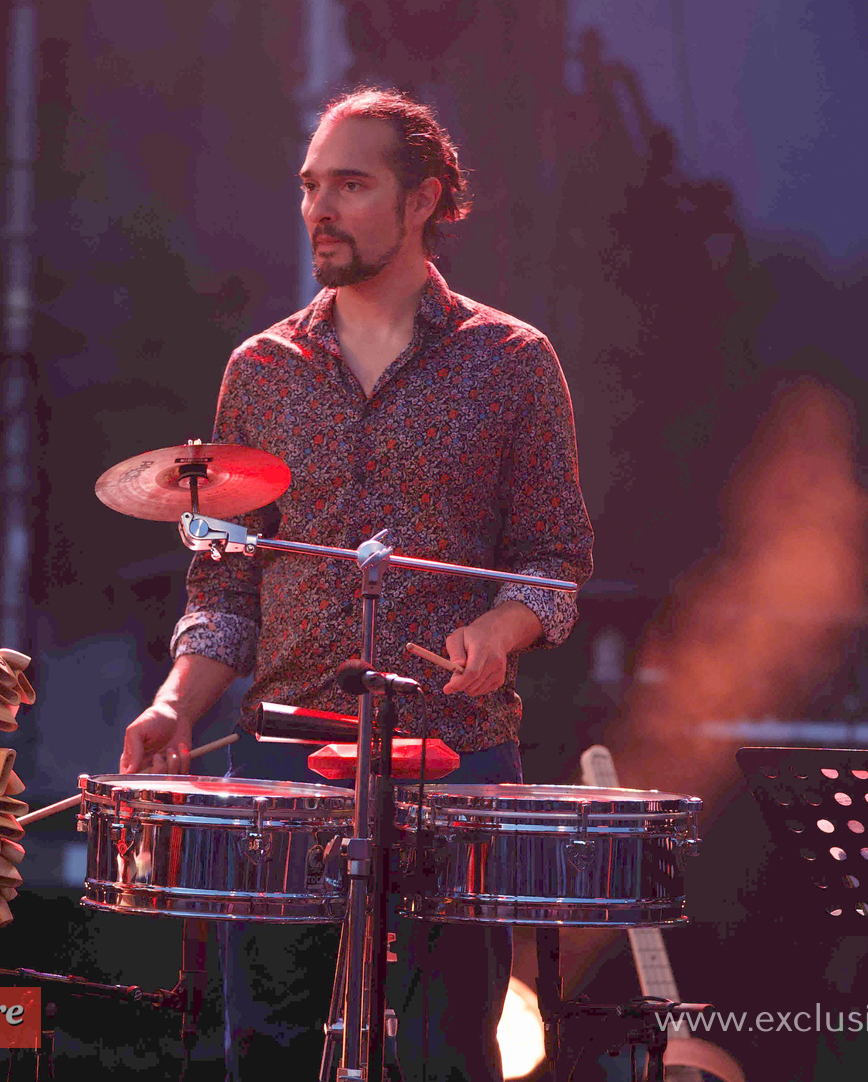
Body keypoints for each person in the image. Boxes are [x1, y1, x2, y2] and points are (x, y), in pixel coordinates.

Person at [121, 87, 593, 1081]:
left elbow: (554, 558)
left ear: (423, 199)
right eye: (309, 186)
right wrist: (174, 705)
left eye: (349, 185)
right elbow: (226, 586)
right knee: (269, 1053)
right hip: (288, 761)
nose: (318, 209)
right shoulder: (260, 369)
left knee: (446, 1058)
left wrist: (501, 629)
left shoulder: (514, 362)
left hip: (453, 759)